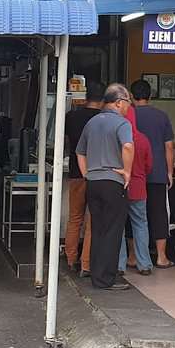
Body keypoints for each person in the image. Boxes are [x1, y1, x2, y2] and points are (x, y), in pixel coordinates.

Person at [75, 83, 135, 291]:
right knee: (112, 231)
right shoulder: (122, 123)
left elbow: (79, 152)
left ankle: (96, 276)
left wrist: (86, 174)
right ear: (119, 102)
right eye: (128, 102)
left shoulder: (92, 122)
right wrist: (127, 171)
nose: (129, 107)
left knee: (98, 229)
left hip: (93, 183)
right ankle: (106, 279)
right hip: (113, 181)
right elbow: (127, 146)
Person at [129, 79, 175, 269]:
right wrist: (169, 172)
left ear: (131, 96)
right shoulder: (161, 116)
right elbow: (169, 146)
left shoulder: (129, 115)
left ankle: (132, 257)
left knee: (132, 214)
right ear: (150, 95)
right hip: (157, 173)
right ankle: (161, 257)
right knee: (158, 213)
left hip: (134, 172)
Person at [64, 82, 104, 275]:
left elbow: (64, 142)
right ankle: (86, 264)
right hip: (97, 174)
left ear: (87, 97)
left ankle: (71, 258)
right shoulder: (104, 119)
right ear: (103, 100)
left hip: (75, 173)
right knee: (92, 220)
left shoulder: (71, 116)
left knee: (75, 218)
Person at [121, 106, 154, 276]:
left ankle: (119, 265)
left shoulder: (118, 138)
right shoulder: (143, 139)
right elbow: (149, 165)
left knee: (118, 227)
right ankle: (145, 264)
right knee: (140, 225)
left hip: (120, 187)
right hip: (139, 188)